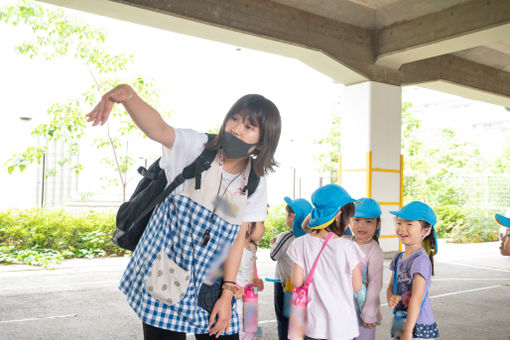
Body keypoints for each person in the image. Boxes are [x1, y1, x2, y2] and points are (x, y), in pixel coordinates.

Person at [86, 84, 281, 339]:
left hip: (212, 284)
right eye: (234, 119)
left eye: (248, 126)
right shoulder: (197, 147)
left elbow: (238, 237)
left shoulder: (254, 180)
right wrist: (130, 97)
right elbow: (160, 129)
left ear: (261, 142)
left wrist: (227, 292)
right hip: (166, 271)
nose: (235, 128)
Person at [287, 184, 364, 340]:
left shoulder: (300, 243)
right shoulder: (349, 247)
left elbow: (296, 281)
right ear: (338, 215)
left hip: (313, 326)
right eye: (349, 219)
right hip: (343, 326)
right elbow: (357, 286)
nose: (348, 223)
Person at [387, 201, 439, 340]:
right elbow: (392, 286)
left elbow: (417, 297)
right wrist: (391, 298)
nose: (402, 228)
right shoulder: (398, 257)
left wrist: (408, 331)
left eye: (409, 224)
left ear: (425, 231)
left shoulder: (420, 260)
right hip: (400, 319)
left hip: (417, 324)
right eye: (399, 223)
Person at [270, 197, 312, 340]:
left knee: (284, 320)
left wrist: (274, 243)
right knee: (300, 322)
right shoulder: (311, 238)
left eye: (287, 215)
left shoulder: (286, 236)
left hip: (284, 286)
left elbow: (273, 256)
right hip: (304, 288)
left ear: (292, 216)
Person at [347, 198, 384, 340]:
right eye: (356, 220)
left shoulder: (374, 251)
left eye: (368, 221)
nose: (361, 225)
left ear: (377, 224)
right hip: (343, 304)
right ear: (349, 221)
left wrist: (369, 312)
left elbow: (375, 283)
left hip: (364, 306)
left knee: (364, 336)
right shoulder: (344, 241)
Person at [235, 222, 264, 340]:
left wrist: (258, 282)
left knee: (250, 333)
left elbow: (253, 271)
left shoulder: (252, 247)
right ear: (247, 225)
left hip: (251, 299)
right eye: (262, 223)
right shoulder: (235, 248)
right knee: (239, 332)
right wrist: (233, 288)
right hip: (237, 302)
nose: (264, 227)